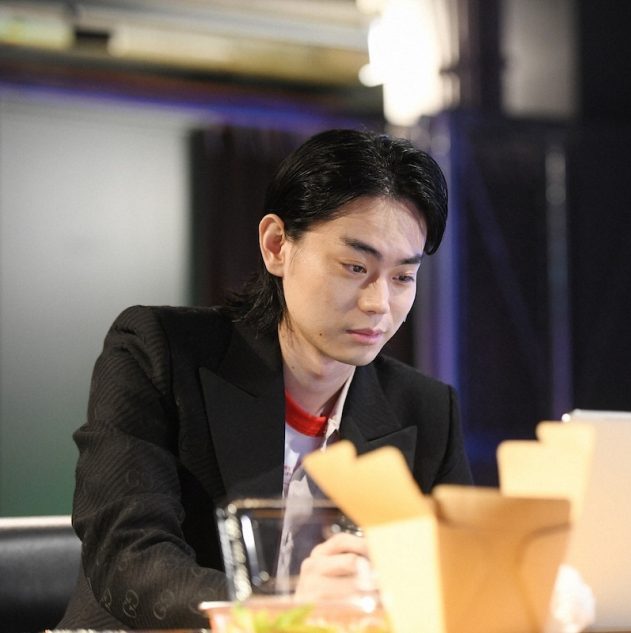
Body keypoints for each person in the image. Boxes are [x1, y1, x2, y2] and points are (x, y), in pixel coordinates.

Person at [58, 128, 473, 629]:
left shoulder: (426, 410)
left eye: (403, 277)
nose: (379, 303)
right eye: (354, 266)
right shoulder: (159, 352)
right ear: (277, 245)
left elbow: (455, 583)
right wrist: (283, 610)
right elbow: (128, 557)